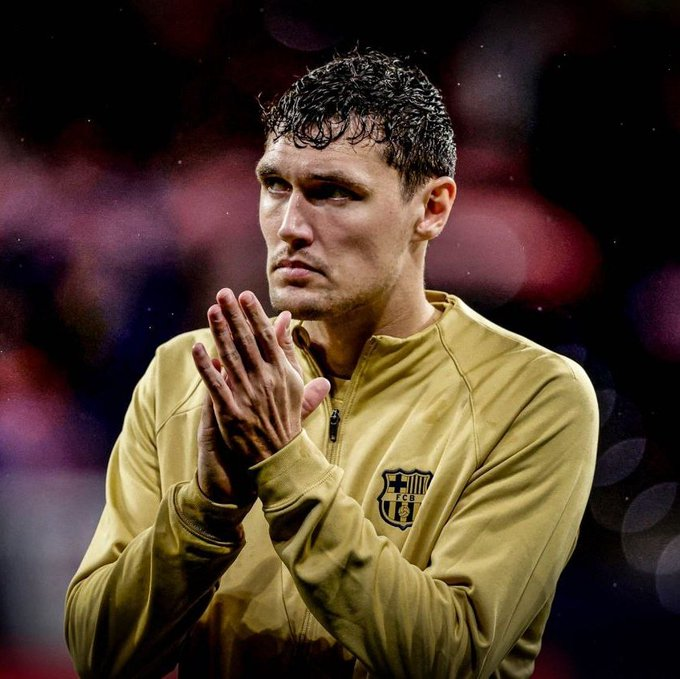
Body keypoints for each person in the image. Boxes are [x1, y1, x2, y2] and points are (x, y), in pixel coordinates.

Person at [64, 49, 599, 678]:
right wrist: (206, 510)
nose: (290, 225)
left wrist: (282, 466)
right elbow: (100, 656)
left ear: (432, 208)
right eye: (275, 186)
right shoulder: (187, 373)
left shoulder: (534, 395)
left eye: (334, 192)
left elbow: (450, 657)